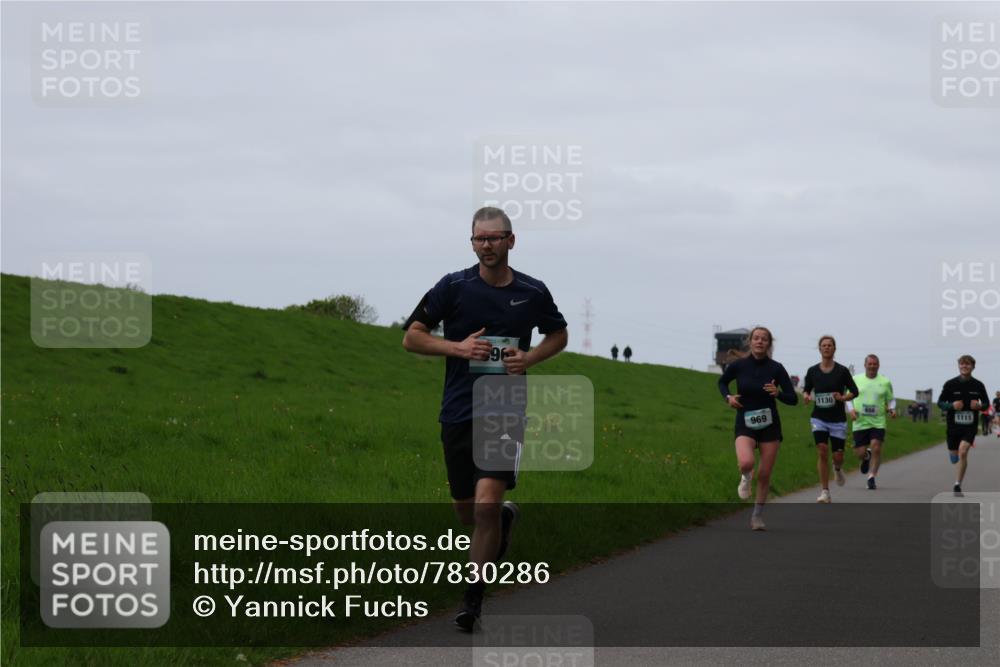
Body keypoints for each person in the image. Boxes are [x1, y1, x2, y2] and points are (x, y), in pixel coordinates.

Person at [401, 206, 568, 630]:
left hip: (505, 409)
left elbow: (558, 333)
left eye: (494, 238)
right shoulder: (453, 286)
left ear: (511, 241)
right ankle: (505, 520)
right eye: (479, 238)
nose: (487, 245)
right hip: (458, 410)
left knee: (486, 504)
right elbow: (412, 337)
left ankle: (472, 600)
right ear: (472, 242)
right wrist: (458, 348)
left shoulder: (532, 291)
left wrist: (529, 358)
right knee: (467, 512)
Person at [718, 326, 798, 530]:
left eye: (764, 339)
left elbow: (793, 399)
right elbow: (722, 383)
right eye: (756, 338)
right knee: (746, 463)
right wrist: (728, 397)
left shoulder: (776, 368)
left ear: (769, 343)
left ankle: (757, 516)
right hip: (744, 421)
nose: (760, 341)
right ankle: (746, 477)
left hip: (770, 425)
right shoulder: (739, 365)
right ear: (750, 341)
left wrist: (778, 393)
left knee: (764, 474)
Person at [802, 336, 859, 502]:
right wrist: (806, 396)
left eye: (829, 345)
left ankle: (838, 468)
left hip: (838, 420)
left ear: (834, 349)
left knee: (838, 456)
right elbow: (806, 389)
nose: (826, 348)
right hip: (818, 418)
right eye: (823, 345)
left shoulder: (842, 371)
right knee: (822, 449)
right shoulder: (812, 371)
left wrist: (842, 398)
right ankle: (825, 491)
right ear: (819, 349)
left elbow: (855, 391)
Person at [936, 355, 989, 495]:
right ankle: (954, 457)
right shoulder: (950, 384)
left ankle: (957, 485)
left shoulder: (978, 385)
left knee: (963, 451)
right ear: (959, 366)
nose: (964, 366)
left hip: (970, 426)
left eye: (968, 364)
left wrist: (979, 406)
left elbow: (986, 404)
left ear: (973, 367)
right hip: (953, 426)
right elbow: (940, 403)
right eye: (962, 364)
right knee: (954, 458)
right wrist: (951, 406)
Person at [847, 354, 896, 490]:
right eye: (870, 364)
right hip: (860, 422)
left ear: (878, 365)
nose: (872, 366)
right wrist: (851, 410)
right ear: (865, 365)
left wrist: (892, 409)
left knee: (876, 446)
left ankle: (872, 477)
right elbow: (849, 397)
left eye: (875, 364)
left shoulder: (885, 382)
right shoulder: (856, 379)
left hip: (878, 422)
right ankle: (866, 457)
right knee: (860, 453)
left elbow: (891, 399)